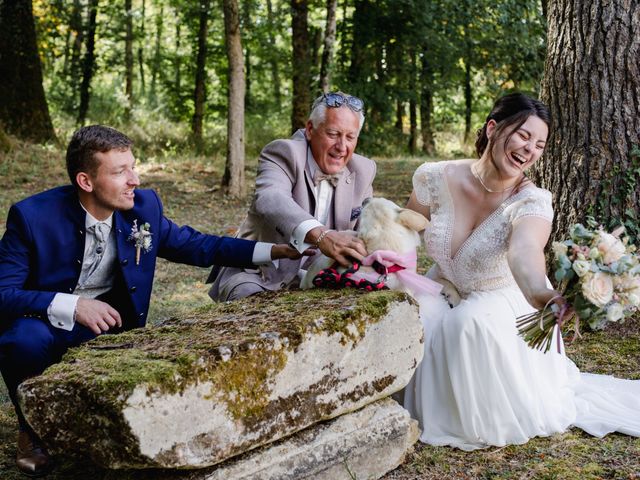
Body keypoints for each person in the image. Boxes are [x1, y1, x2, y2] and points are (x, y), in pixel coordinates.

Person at [0, 125, 308, 476]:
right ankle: (33, 431)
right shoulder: (32, 217)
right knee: (21, 341)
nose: (135, 179)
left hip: (111, 328)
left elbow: (197, 245)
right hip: (45, 325)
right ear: (86, 182)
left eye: (134, 166)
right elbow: (3, 294)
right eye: (120, 172)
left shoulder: (142, 207)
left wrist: (272, 251)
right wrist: (74, 305)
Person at [404, 93, 640, 450]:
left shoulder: (531, 201)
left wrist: (542, 295)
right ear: (493, 128)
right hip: (443, 286)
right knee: (412, 312)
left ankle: (465, 419)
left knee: (466, 325)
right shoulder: (435, 177)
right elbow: (408, 226)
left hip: (501, 296)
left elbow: (525, 253)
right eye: (523, 136)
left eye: (540, 145)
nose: (530, 150)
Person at [208, 92, 376, 301]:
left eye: (350, 137)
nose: (342, 147)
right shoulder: (283, 152)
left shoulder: (364, 169)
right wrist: (322, 235)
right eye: (333, 134)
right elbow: (270, 198)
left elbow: (369, 229)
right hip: (260, 273)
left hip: (324, 278)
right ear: (310, 129)